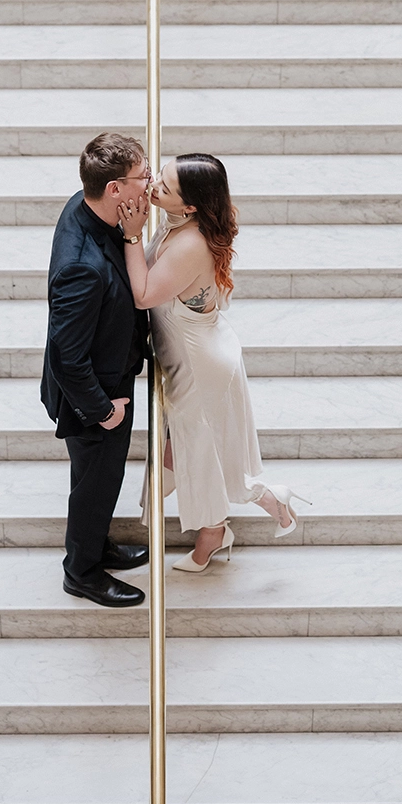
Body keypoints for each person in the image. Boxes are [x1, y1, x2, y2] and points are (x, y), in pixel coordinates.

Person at [123, 154, 306, 572]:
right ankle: (268, 499)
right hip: (198, 353)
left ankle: (213, 534)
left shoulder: (190, 242)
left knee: (198, 456)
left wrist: (132, 236)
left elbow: (144, 295)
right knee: (183, 455)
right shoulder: (184, 222)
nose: (152, 188)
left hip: (198, 367)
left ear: (190, 206)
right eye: (159, 177)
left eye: (163, 188)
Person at [42, 134, 155, 608]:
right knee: (97, 480)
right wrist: (102, 409)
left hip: (109, 374)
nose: (149, 183)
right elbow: (67, 355)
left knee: (96, 481)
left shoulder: (87, 204)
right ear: (114, 189)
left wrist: (132, 233)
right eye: (142, 176)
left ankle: (96, 544)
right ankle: (82, 571)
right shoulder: (81, 268)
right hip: (97, 396)